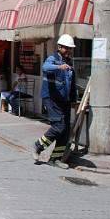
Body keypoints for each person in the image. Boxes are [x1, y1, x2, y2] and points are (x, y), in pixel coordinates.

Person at [32, 34, 77, 169]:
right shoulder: (53, 58)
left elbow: (71, 83)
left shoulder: (69, 62)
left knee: (65, 130)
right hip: (51, 98)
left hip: (65, 100)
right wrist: (59, 67)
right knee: (59, 126)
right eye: (66, 48)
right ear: (59, 47)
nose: (68, 50)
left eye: (70, 48)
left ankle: (55, 159)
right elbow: (45, 67)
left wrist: (73, 99)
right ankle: (38, 146)